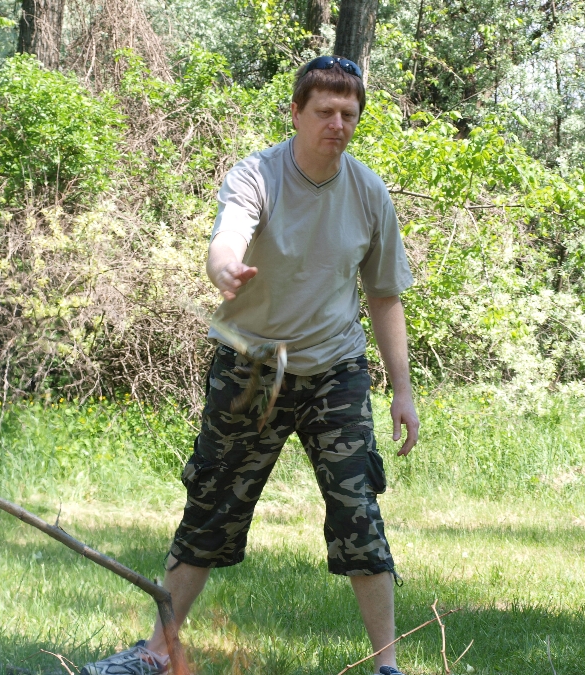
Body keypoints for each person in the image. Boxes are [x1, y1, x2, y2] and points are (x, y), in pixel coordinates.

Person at [81, 55, 419, 675]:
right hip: (253, 366)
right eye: (325, 111)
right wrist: (224, 267)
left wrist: (403, 391)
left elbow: (384, 296)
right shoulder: (257, 174)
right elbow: (229, 234)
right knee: (211, 506)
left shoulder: (369, 192)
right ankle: (156, 654)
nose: (338, 124)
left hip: (335, 370)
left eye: (348, 114)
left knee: (358, 514)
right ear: (296, 112)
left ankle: (387, 666)